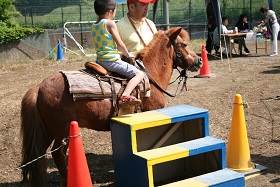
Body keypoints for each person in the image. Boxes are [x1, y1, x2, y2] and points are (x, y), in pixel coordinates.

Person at [92, 0, 145, 106]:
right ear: (110, 11)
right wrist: (127, 54)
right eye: (115, 11)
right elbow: (119, 42)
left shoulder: (94, 25)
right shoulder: (110, 23)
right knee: (139, 74)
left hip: (100, 60)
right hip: (111, 61)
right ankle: (125, 95)